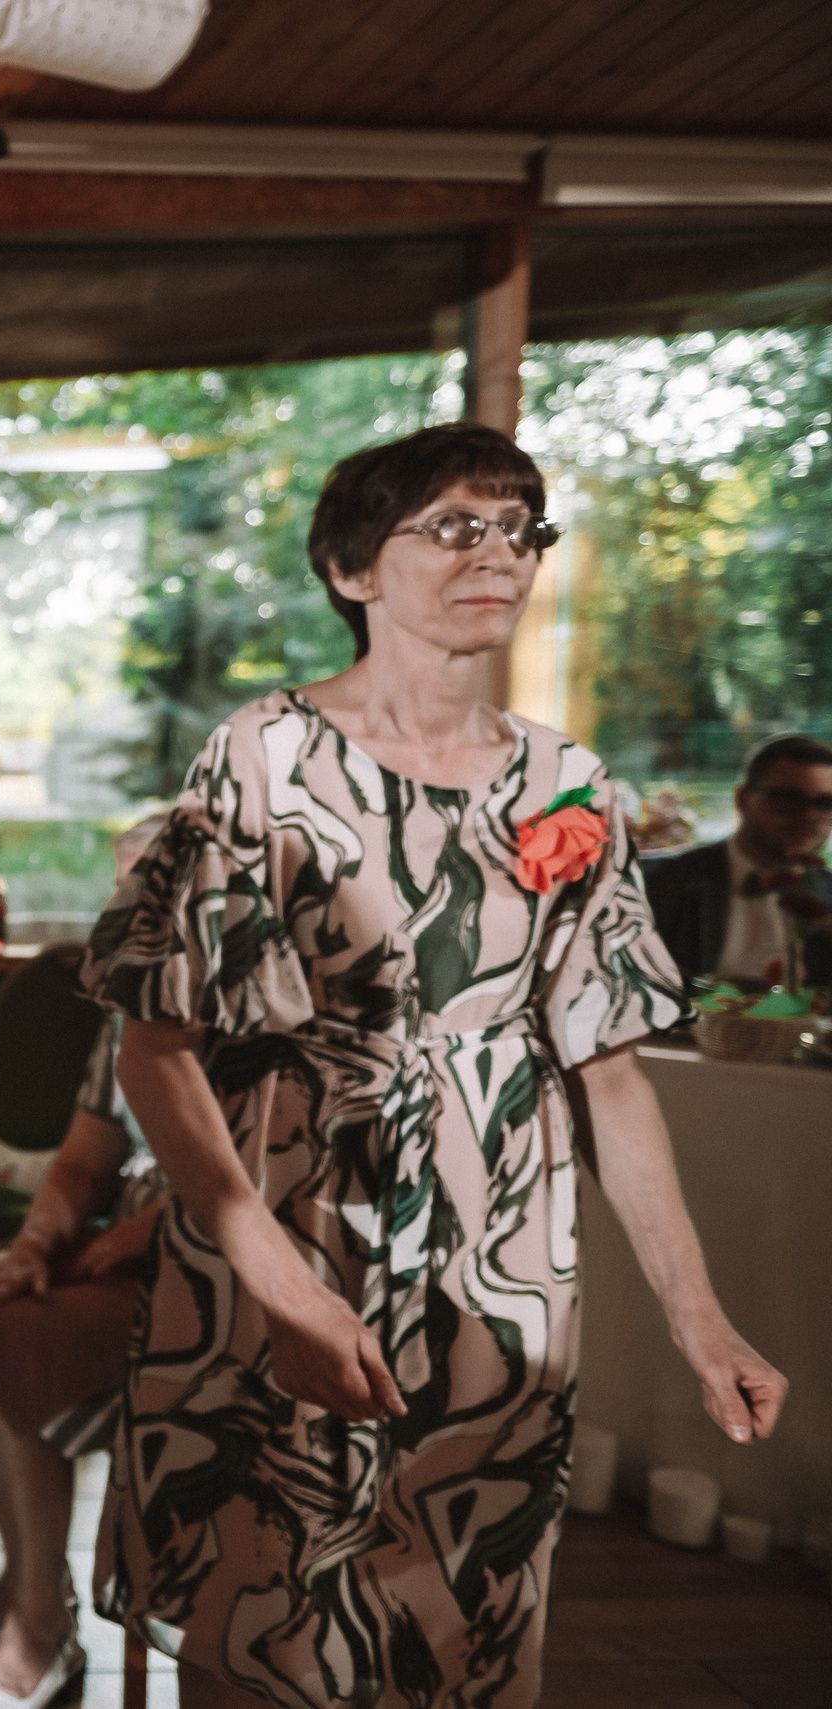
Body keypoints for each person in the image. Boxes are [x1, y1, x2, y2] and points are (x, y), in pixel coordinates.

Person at [82, 422, 786, 1709]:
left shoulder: (570, 784)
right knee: (265, 1603)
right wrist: (275, 1281)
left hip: (503, 1256)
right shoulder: (264, 755)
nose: (499, 555)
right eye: (456, 526)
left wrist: (699, 1316)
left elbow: (610, 1072)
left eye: (521, 530)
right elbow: (155, 1047)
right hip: (287, 1230)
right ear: (353, 570)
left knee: (473, 1608)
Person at [0, 818, 168, 1709]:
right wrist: (29, 1249)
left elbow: (233, 1178)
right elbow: (79, 1160)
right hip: (106, 1240)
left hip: (186, 1262)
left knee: (7, 1338)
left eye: (142, 884)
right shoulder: (127, 1005)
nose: (120, 906)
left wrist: (101, 1248)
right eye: (118, 886)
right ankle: (32, 1583)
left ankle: (38, 1634)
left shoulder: (233, 1007)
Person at [642, 732, 832, 990]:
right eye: (788, 799)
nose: (809, 814)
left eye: (825, 803)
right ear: (742, 800)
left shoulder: (827, 896)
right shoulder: (662, 883)